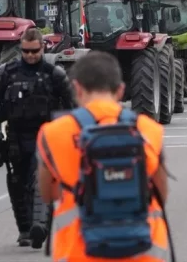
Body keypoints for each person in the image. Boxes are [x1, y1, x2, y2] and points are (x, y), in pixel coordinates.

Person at [37, 51, 170, 262]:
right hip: (142, 251)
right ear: (121, 90)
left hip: (80, 252)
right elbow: (161, 193)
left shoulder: (52, 133)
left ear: (77, 88)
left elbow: (48, 194)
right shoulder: (149, 130)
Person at [0, 28, 74, 248]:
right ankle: (25, 229)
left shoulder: (55, 74)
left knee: (40, 180)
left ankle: (40, 226)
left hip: (46, 137)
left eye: (34, 51)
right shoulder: (7, 72)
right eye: (25, 51)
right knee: (18, 183)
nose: (30, 55)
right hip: (16, 138)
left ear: (43, 48)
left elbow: (72, 109)